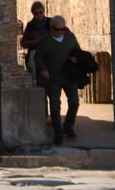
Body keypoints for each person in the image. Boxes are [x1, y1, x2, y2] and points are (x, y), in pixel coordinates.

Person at [35, 14, 81, 145]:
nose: (60, 32)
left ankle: (68, 126)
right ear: (51, 28)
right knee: (55, 106)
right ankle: (58, 133)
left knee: (74, 102)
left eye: (62, 29)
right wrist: (43, 69)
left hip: (69, 76)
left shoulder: (70, 38)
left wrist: (76, 58)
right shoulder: (45, 42)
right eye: (57, 29)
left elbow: (78, 51)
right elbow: (38, 58)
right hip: (53, 77)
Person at [20, 1, 51, 82]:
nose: (39, 15)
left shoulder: (50, 22)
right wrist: (37, 41)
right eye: (36, 13)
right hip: (36, 53)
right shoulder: (30, 26)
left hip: (49, 51)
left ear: (44, 11)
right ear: (33, 14)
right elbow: (23, 43)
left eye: (40, 12)